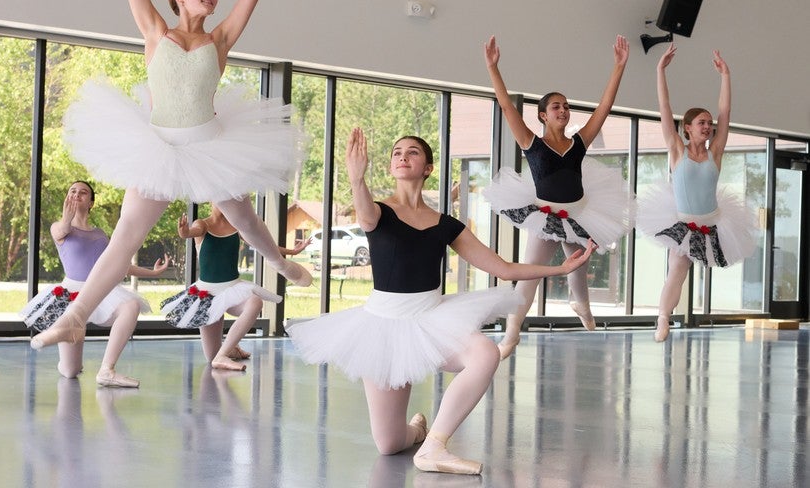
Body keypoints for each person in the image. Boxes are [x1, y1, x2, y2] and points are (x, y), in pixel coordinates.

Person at [31, 0, 308, 351]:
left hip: (211, 143)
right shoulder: (155, 32)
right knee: (124, 240)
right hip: (159, 146)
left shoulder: (219, 40)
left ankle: (282, 266)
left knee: (245, 219)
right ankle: (75, 317)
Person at [288, 129, 595, 475]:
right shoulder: (379, 212)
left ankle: (434, 445)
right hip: (383, 328)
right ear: (390, 167)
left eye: (412, 152)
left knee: (485, 353)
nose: (403, 156)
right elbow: (365, 216)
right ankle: (418, 431)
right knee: (388, 445)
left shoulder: (446, 225)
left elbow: (503, 267)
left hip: (431, 318)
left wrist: (559, 268)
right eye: (396, 152)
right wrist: (357, 179)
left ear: (428, 168)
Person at [482, 35, 633, 359]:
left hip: (579, 212)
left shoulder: (579, 142)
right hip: (546, 215)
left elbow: (604, 107)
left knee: (577, 268)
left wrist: (618, 67)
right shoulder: (532, 143)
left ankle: (582, 305)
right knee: (531, 273)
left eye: (566, 106)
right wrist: (494, 68)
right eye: (556, 107)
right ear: (542, 116)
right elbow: (507, 107)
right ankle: (511, 333)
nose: (563, 110)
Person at [636, 44, 755, 342]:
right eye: (701, 122)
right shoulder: (677, 150)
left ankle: (672, 316)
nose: (708, 126)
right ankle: (663, 319)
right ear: (687, 128)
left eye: (709, 123)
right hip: (682, 220)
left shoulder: (716, 151)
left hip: (713, 221)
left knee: (688, 268)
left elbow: (725, 112)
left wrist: (725, 76)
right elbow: (664, 109)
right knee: (678, 268)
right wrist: (660, 70)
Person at [20, 181, 170, 387]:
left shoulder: (100, 234)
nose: (76, 194)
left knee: (131, 306)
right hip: (71, 293)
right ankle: (68, 363)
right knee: (70, 371)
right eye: (72, 191)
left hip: (102, 291)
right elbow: (62, 229)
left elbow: (117, 265)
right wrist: (66, 218)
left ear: (91, 202)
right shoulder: (59, 227)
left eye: (83, 192)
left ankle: (107, 368)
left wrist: (152, 272)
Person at [162, 208, 308, 371]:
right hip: (208, 295)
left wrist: (292, 251)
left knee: (255, 302)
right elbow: (191, 232)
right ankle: (229, 350)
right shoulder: (202, 224)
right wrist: (184, 232)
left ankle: (224, 354)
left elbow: (263, 246)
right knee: (211, 356)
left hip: (233, 289)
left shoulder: (237, 226)